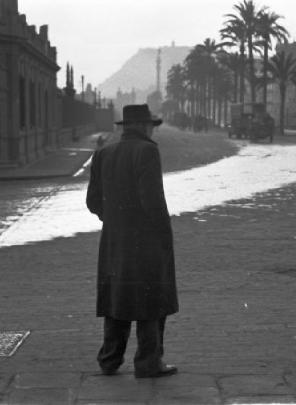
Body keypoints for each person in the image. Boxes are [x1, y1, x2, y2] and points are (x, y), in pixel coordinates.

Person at [86, 104, 179, 379]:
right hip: (146, 240)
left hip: (114, 241)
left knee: (117, 298)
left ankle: (109, 360)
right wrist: (163, 235)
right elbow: (152, 201)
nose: (152, 129)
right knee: (151, 299)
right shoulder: (147, 151)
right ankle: (149, 362)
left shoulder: (104, 153)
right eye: (150, 125)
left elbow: (92, 201)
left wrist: (114, 219)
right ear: (143, 126)